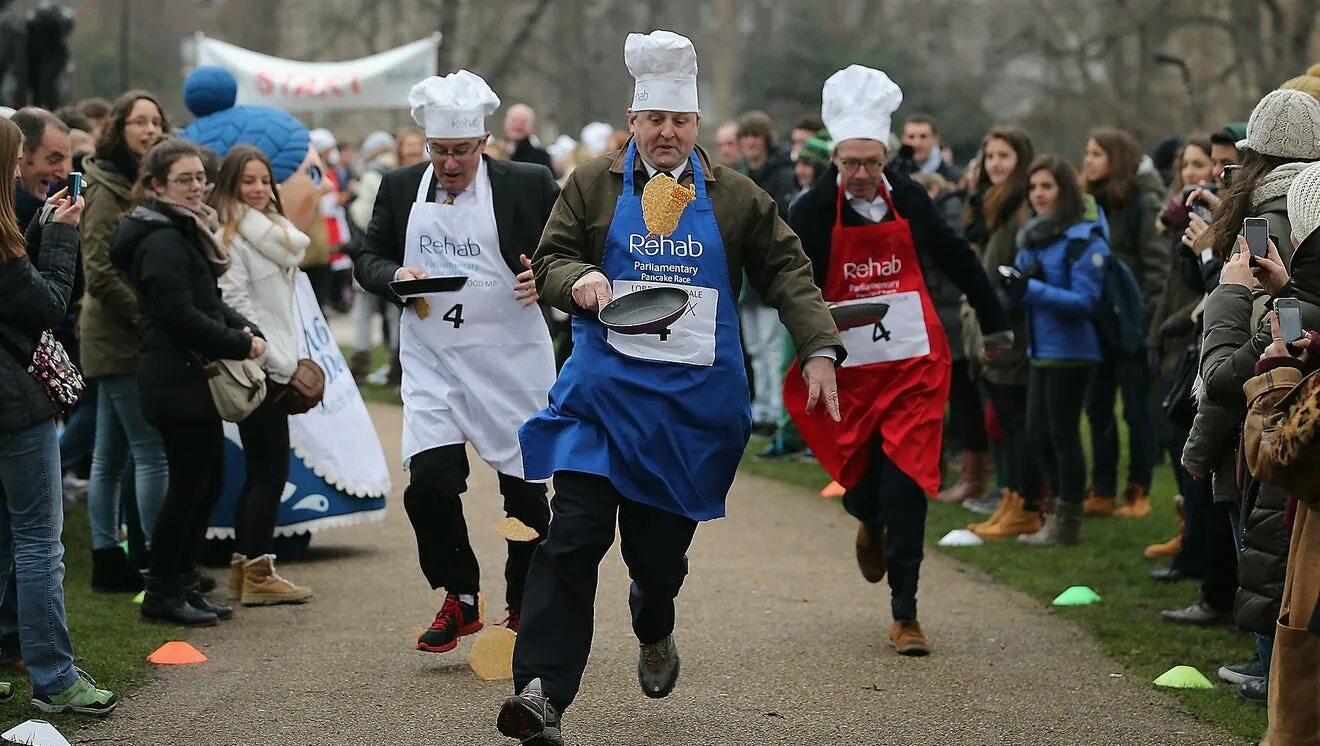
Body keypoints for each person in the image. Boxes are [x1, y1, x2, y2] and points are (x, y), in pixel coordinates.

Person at [501, 31, 842, 745]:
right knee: (572, 538)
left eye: (678, 121)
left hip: (687, 417)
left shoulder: (738, 197)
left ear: (694, 127)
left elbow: (788, 271)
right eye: (653, 120)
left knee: (656, 563)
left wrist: (817, 346)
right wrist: (577, 281)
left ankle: (653, 620)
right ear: (633, 121)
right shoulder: (592, 183)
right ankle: (540, 691)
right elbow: (554, 256)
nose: (665, 133)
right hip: (601, 401)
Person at [785, 64, 1009, 657]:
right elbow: (787, 280)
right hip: (848, 372)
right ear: (835, 160)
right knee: (864, 485)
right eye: (850, 165)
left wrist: (996, 319)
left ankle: (905, 612)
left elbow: (957, 256)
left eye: (871, 164)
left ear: (886, 159)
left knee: (909, 481)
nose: (860, 176)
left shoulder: (906, 197)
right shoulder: (812, 209)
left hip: (913, 365)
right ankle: (867, 517)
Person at [354, 70, 560, 653]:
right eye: (440, 151)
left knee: (525, 494)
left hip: (512, 358)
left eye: (461, 151)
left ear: (483, 144)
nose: (450, 164)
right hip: (433, 359)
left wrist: (542, 276)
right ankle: (460, 596)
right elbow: (366, 257)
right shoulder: (398, 188)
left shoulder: (528, 182)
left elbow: (568, 249)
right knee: (429, 486)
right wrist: (395, 276)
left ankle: (524, 603)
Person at [109, 138, 261, 626]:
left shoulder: (184, 229)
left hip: (189, 375)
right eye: (185, 179)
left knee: (206, 481)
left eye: (201, 178)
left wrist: (244, 327)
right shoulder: (161, 238)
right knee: (189, 486)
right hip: (174, 378)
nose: (197, 187)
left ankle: (183, 583)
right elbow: (177, 314)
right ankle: (163, 592)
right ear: (156, 185)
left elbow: (206, 300)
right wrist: (237, 343)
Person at [0, 116, 118, 716]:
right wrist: (62, 236)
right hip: (14, 403)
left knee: (4, 535)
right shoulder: (2, 231)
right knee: (39, 540)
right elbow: (45, 306)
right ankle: (54, 677)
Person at [211, 146, 314, 607]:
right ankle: (257, 570)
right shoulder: (231, 236)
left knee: (265, 470)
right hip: (260, 367)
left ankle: (245, 567)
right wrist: (275, 364)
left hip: (276, 361)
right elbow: (239, 309)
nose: (257, 189)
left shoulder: (275, 233)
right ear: (231, 185)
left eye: (263, 180)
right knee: (269, 471)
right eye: (247, 181)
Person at [78, 90, 170, 592]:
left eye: (157, 122)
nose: (150, 130)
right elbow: (99, 271)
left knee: (110, 454)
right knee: (149, 450)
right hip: (118, 334)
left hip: (126, 332)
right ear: (120, 127)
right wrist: (149, 320)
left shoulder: (145, 182)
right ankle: (159, 563)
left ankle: (108, 559)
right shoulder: (105, 186)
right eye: (140, 122)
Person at [1001, 156, 1108, 545]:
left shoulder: (1083, 238)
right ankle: (1055, 514)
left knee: (1062, 437)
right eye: (1033, 188)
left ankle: (1068, 523)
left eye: (1046, 186)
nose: (1038, 195)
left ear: (1064, 190)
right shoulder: (1034, 236)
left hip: (1072, 351)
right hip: (1040, 348)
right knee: (1037, 434)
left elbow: (1085, 301)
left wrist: (1029, 290)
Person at [1079, 128, 1167, 518]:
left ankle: (1139, 491)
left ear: (1117, 158)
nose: (1088, 161)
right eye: (1087, 153)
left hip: (1132, 324)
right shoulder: (1092, 201)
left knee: (1136, 411)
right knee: (1097, 408)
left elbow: (1156, 267)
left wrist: (1144, 324)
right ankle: (1102, 489)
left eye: (1097, 154)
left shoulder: (1144, 200)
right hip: (1098, 323)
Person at [961, 126, 1040, 537]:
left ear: (1020, 160)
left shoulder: (1019, 208)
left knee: (1017, 422)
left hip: (1013, 331)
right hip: (989, 325)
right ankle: (1011, 498)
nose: (995, 164)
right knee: (1005, 423)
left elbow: (1007, 270)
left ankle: (1025, 504)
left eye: (1004, 156)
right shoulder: (988, 204)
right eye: (990, 155)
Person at [1145, 136, 1216, 577]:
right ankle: (1188, 540)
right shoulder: (1179, 217)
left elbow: (1203, 285)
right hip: (1170, 341)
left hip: (1194, 344)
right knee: (1177, 453)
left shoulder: (1208, 220)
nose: (1190, 172)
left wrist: (1181, 321)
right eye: (1185, 165)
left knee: (1193, 460)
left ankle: (1196, 554)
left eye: (1199, 164)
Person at [11, 107, 69, 231]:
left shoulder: (59, 205)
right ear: (22, 152)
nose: (63, 174)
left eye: (66, 160)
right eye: (53, 159)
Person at [902, 113, 962, 182]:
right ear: (903, 140)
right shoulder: (893, 176)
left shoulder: (956, 178)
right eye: (911, 137)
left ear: (936, 139)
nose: (917, 143)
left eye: (923, 136)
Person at [502, 103, 553, 173]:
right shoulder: (493, 152)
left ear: (531, 127)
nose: (518, 126)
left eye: (523, 122)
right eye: (514, 121)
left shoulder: (540, 157)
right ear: (505, 123)